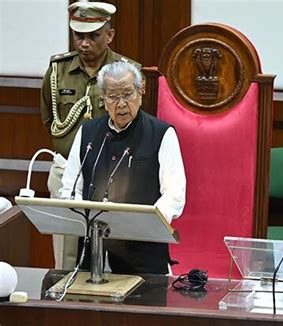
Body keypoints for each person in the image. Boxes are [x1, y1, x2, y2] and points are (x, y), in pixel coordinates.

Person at [40, 1, 142, 269]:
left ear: (109, 35)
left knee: (115, 256)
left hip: (115, 174)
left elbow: (138, 124)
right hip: (67, 172)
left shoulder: (127, 73)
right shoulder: (57, 72)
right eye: (78, 35)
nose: (84, 43)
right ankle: (67, 308)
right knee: (67, 259)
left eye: (93, 36)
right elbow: (50, 120)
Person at [60, 61, 186, 274]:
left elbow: (174, 195)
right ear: (103, 98)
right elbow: (70, 189)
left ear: (140, 92)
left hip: (143, 257)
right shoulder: (88, 133)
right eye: (113, 96)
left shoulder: (162, 134)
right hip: (92, 256)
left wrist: (141, 224)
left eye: (127, 94)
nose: (120, 104)